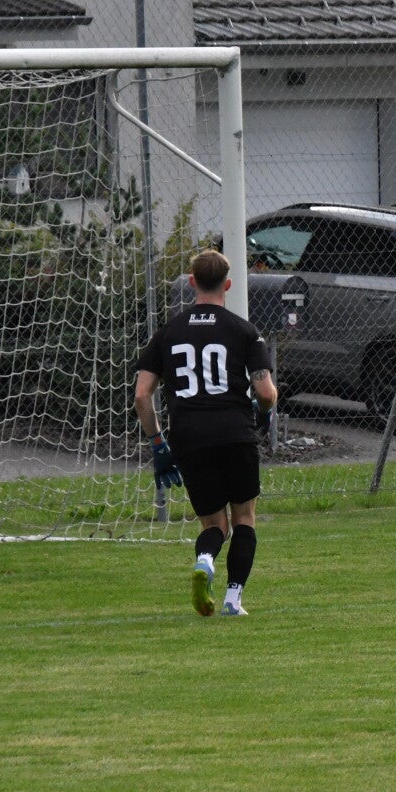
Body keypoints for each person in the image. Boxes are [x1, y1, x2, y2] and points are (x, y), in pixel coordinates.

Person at [134, 250, 279, 617]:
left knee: (214, 524)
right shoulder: (245, 331)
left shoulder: (167, 333)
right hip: (234, 432)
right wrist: (263, 415)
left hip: (189, 437)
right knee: (243, 518)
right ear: (227, 285)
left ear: (192, 282)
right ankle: (233, 599)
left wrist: (158, 444)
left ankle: (204, 560)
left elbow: (141, 395)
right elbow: (266, 393)